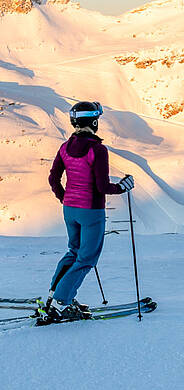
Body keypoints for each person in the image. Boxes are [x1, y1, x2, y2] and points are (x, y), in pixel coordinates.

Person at [45, 101, 134, 322]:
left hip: (70, 209)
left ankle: (54, 296)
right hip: (91, 211)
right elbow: (102, 186)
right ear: (94, 122)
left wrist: (64, 197)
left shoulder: (65, 147)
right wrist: (123, 186)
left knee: (73, 252)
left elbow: (53, 178)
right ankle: (61, 302)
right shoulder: (97, 149)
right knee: (86, 259)